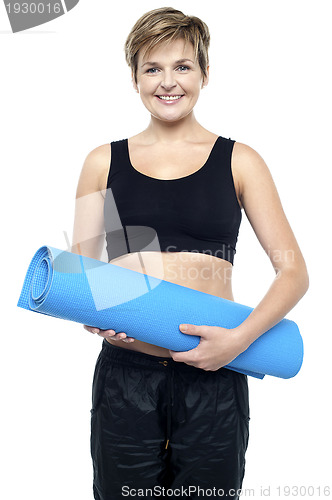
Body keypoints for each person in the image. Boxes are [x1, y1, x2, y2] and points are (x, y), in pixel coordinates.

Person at [71, 7, 309, 499]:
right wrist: (92, 317)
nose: (167, 82)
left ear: (204, 72)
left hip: (216, 377)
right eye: (152, 68)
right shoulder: (101, 162)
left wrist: (238, 340)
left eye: (182, 66)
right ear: (134, 77)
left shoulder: (241, 160)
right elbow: (83, 276)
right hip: (126, 376)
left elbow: (294, 272)